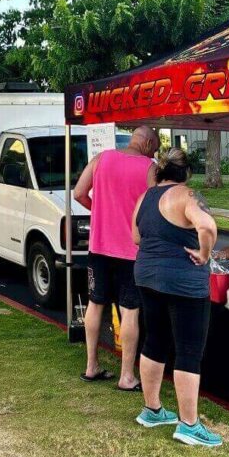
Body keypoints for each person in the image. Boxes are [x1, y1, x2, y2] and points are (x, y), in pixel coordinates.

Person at [131, 147, 222, 447]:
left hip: (147, 276)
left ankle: (152, 409)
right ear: (186, 173)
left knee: (154, 340)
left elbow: (136, 236)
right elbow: (207, 226)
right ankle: (189, 424)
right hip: (184, 282)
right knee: (188, 350)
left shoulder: (146, 197)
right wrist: (204, 253)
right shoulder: (187, 196)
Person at [73, 126, 159, 390]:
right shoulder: (149, 167)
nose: (155, 153)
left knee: (95, 304)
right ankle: (126, 376)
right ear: (148, 144)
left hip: (99, 246)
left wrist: (98, 209)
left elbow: (79, 193)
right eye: (155, 148)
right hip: (132, 251)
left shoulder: (101, 159)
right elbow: (154, 207)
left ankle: (91, 366)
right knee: (130, 310)